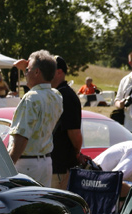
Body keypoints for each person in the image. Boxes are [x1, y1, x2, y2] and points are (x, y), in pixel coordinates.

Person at [8, 51, 63, 186]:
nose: (25, 73)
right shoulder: (56, 95)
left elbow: (22, 137)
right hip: (45, 162)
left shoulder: (31, 98)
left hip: (26, 164)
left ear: (37, 72)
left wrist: (7, 166)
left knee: (20, 204)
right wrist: (31, 65)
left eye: (28, 70)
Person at [49, 56, 83, 190]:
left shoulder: (66, 96)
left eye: (49, 69)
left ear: (59, 72)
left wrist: (76, 152)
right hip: (51, 165)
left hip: (60, 166)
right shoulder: (52, 94)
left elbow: (75, 134)